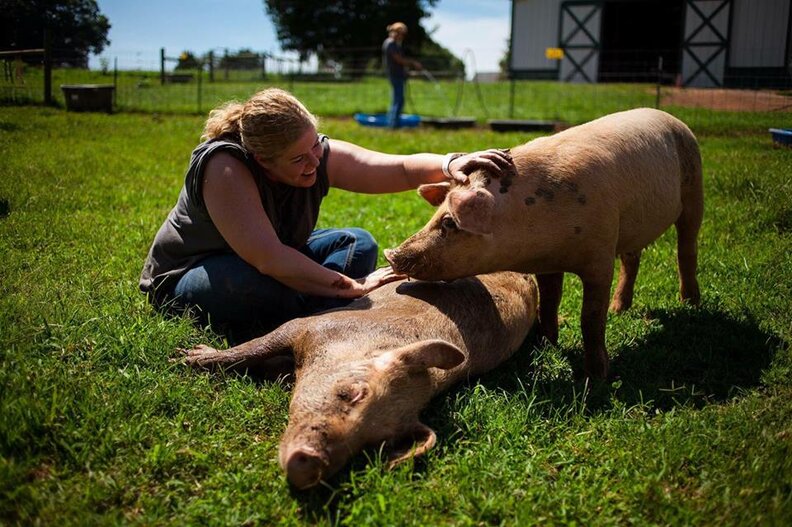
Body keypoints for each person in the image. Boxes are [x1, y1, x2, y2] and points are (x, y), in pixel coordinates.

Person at [139, 88, 513, 343]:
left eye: (315, 145)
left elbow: (397, 169)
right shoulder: (224, 167)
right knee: (260, 286)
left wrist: (450, 163)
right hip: (197, 271)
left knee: (356, 243)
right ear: (261, 161)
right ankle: (320, 314)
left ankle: (313, 314)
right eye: (298, 159)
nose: (314, 161)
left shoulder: (314, 154)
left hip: (276, 260)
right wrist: (352, 286)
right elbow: (267, 258)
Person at [382, 22, 421, 128]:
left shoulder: (395, 44)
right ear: (396, 32)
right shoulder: (390, 43)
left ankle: (393, 123)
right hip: (395, 75)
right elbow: (398, 60)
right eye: (401, 34)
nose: (402, 36)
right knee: (398, 100)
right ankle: (393, 125)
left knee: (398, 99)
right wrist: (412, 63)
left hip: (399, 74)